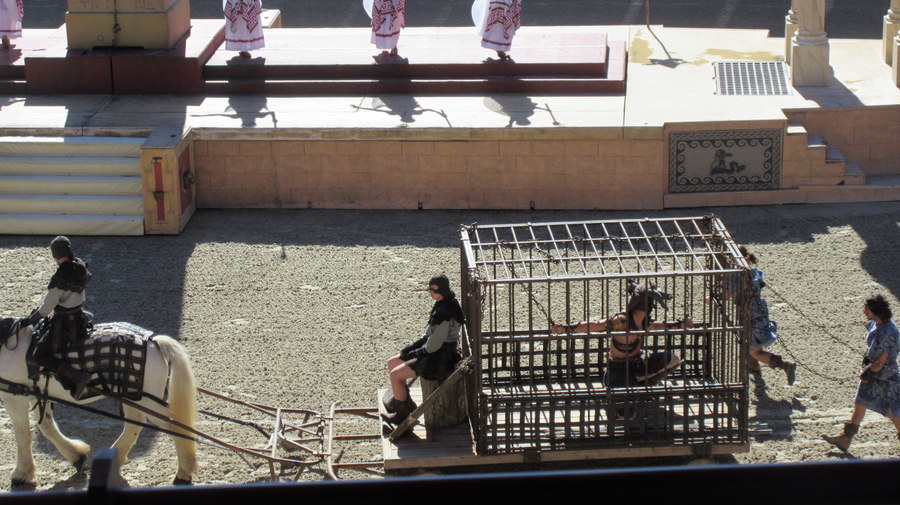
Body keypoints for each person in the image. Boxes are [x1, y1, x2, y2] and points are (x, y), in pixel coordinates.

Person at [551, 280, 690, 388]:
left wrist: (681, 324)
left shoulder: (644, 322)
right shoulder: (621, 321)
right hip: (618, 368)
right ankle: (624, 388)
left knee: (672, 360)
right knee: (623, 412)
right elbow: (595, 325)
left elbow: (659, 326)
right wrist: (566, 328)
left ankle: (642, 385)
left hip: (638, 363)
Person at [822, 294, 900, 452]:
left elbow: (882, 360)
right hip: (872, 372)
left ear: (873, 310)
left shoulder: (889, 332)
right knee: (860, 403)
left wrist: (866, 373)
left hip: (885, 378)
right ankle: (846, 439)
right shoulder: (875, 323)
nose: (864, 311)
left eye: (866, 309)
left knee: (891, 411)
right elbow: (871, 350)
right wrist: (865, 365)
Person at [384, 274, 464, 425]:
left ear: (443, 290)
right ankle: (406, 403)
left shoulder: (445, 312)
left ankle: (402, 415)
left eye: (434, 290)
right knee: (392, 362)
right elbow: (429, 335)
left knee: (396, 375)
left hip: (439, 358)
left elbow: (434, 344)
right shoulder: (442, 303)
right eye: (429, 289)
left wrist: (416, 352)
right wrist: (410, 349)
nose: (430, 292)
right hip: (433, 351)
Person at [22, 236, 93, 399]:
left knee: (39, 355)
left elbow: (47, 308)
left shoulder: (61, 277)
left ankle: (77, 376)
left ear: (56, 256)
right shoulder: (79, 265)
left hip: (65, 324)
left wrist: (30, 319)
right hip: (79, 316)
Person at [725, 246, 796, 385]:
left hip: (749, 313)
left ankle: (784, 364)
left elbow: (731, 293)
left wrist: (718, 293)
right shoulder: (753, 271)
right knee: (754, 342)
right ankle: (754, 366)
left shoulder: (737, 272)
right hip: (759, 310)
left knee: (754, 350)